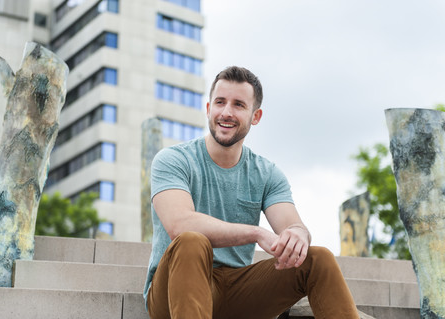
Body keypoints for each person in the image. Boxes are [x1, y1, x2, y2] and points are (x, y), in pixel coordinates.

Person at [143, 66, 359, 319]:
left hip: (237, 291)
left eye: (238, 105)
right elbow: (180, 224)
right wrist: (255, 233)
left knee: (318, 258)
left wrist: (297, 235)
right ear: (208, 108)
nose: (226, 112)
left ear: (255, 116)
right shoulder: (173, 160)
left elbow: (292, 224)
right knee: (192, 240)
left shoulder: (266, 173)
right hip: (174, 291)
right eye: (220, 102)